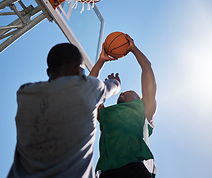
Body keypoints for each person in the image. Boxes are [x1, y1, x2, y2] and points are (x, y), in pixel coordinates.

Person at [7, 43, 120, 178]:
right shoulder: (88, 88)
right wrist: (116, 82)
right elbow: (112, 86)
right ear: (78, 70)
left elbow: (81, 89)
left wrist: (100, 61)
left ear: (49, 72)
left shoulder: (25, 93)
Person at [93, 35, 157, 178]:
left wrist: (133, 48)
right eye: (123, 91)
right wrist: (101, 60)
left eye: (130, 92)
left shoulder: (143, 111)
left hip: (136, 168)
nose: (123, 92)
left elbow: (147, 69)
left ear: (140, 99)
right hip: (107, 173)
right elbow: (90, 91)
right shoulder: (105, 114)